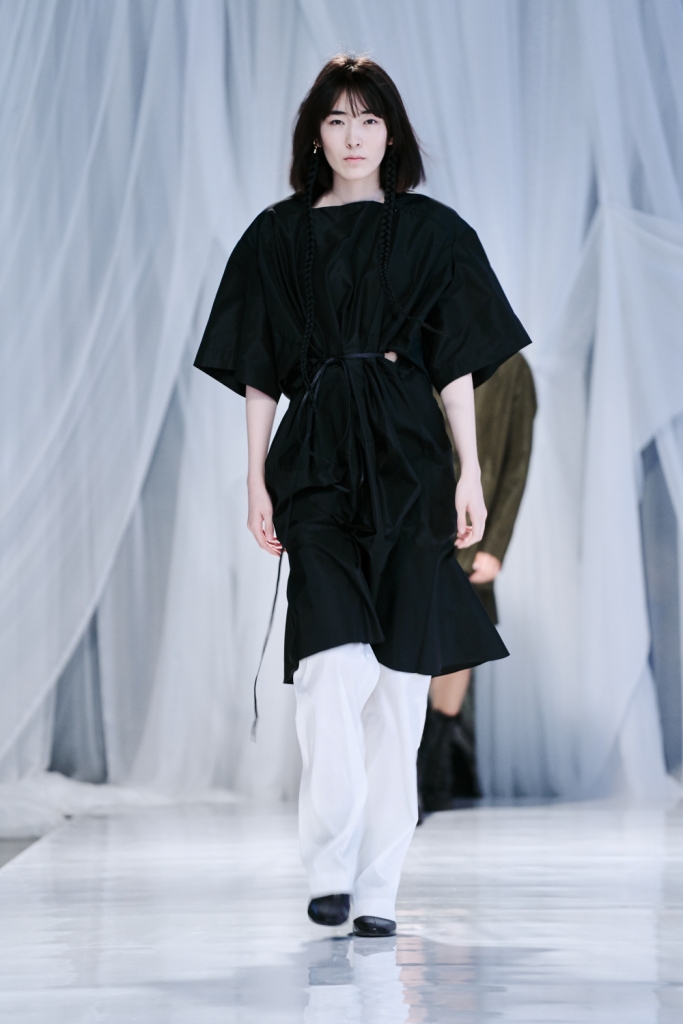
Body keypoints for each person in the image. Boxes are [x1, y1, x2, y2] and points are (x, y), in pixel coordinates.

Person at [194, 55, 531, 938]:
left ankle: (378, 889)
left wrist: (469, 471)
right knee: (330, 669)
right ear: (315, 134)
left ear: (392, 133)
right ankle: (330, 865)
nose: (353, 136)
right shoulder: (276, 236)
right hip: (314, 458)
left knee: (401, 686)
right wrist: (254, 476)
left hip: (411, 461)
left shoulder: (433, 232)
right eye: (337, 119)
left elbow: (454, 363)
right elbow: (258, 369)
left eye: (369, 119)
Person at [418, 353, 537, 811]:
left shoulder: (512, 368)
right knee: (414, 630)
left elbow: (517, 462)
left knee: (459, 638)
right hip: (418, 519)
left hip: (472, 530)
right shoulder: (419, 354)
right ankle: (415, 765)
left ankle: (431, 766)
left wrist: (497, 544)